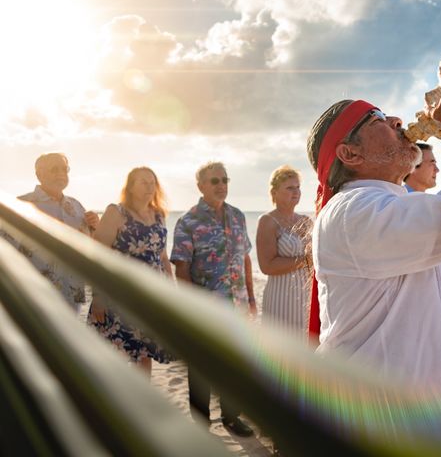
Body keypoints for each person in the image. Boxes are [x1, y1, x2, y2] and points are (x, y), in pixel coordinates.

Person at [306, 77, 441, 431]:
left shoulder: (396, 205)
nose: (397, 121)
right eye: (378, 120)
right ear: (350, 154)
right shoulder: (352, 212)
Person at [171, 161, 256, 437]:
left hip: (238, 305)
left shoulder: (239, 216)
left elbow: (245, 259)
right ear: (201, 186)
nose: (221, 185)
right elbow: (181, 269)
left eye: (224, 180)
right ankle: (201, 425)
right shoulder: (188, 222)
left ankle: (231, 417)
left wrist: (252, 299)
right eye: (215, 181)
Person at [87, 167, 173, 376]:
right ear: (131, 187)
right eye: (143, 182)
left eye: (152, 182)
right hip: (118, 295)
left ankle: (142, 406)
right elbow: (97, 254)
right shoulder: (116, 212)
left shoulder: (158, 215)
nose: (149, 186)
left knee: (144, 354)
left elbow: (162, 258)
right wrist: (98, 297)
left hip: (150, 297)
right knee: (113, 355)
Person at [17, 152, 99, 312]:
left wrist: (95, 227)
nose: (61, 174)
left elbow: (89, 249)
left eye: (64, 169)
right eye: (54, 169)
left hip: (72, 295)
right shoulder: (21, 205)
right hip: (32, 294)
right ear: (39, 174)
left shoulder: (77, 207)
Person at [256, 165, 313, 335]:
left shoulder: (306, 221)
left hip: (306, 297)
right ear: (274, 192)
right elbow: (267, 266)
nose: (296, 192)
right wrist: (305, 261)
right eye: (289, 188)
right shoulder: (268, 221)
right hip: (280, 298)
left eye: (298, 187)